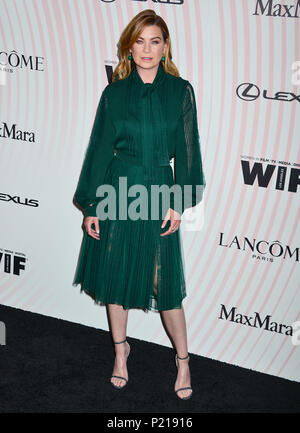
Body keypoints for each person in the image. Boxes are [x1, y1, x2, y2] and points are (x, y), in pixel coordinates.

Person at [72, 9, 206, 400]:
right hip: (117, 188)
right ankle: (120, 352)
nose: (147, 49)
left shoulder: (180, 91)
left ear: (165, 47)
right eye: (139, 41)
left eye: (155, 41)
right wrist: (92, 204)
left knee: (163, 284)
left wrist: (179, 202)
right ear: (129, 47)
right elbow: (98, 150)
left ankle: (183, 359)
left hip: (159, 192)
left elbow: (188, 153)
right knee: (115, 279)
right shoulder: (114, 93)